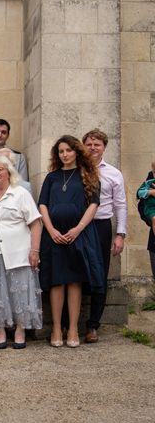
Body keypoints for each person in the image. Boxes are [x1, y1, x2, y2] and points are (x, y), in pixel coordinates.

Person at [38, 135, 104, 348]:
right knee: (57, 281)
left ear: (77, 151)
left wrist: (77, 229)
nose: (64, 154)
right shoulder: (52, 178)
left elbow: (93, 205)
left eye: (68, 150)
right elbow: (43, 205)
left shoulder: (89, 175)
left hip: (79, 235)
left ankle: (73, 328)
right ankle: (57, 328)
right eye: (60, 151)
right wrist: (51, 229)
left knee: (74, 281)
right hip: (54, 236)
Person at [0, 155, 43, 350]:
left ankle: (20, 330)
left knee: (20, 291)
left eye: (0, 169)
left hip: (18, 251)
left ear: (8, 172)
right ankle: (1, 330)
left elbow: (36, 223)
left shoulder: (20, 193)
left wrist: (35, 250)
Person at [83, 129, 128, 343]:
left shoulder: (113, 173)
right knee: (76, 273)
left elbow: (120, 205)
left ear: (104, 147)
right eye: (89, 144)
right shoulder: (76, 170)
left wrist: (120, 234)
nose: (93, 148)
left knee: (100, 275)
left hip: (101, 227)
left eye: (97, 144)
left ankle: (93, 325)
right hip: (78, 227)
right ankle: (69, 323)